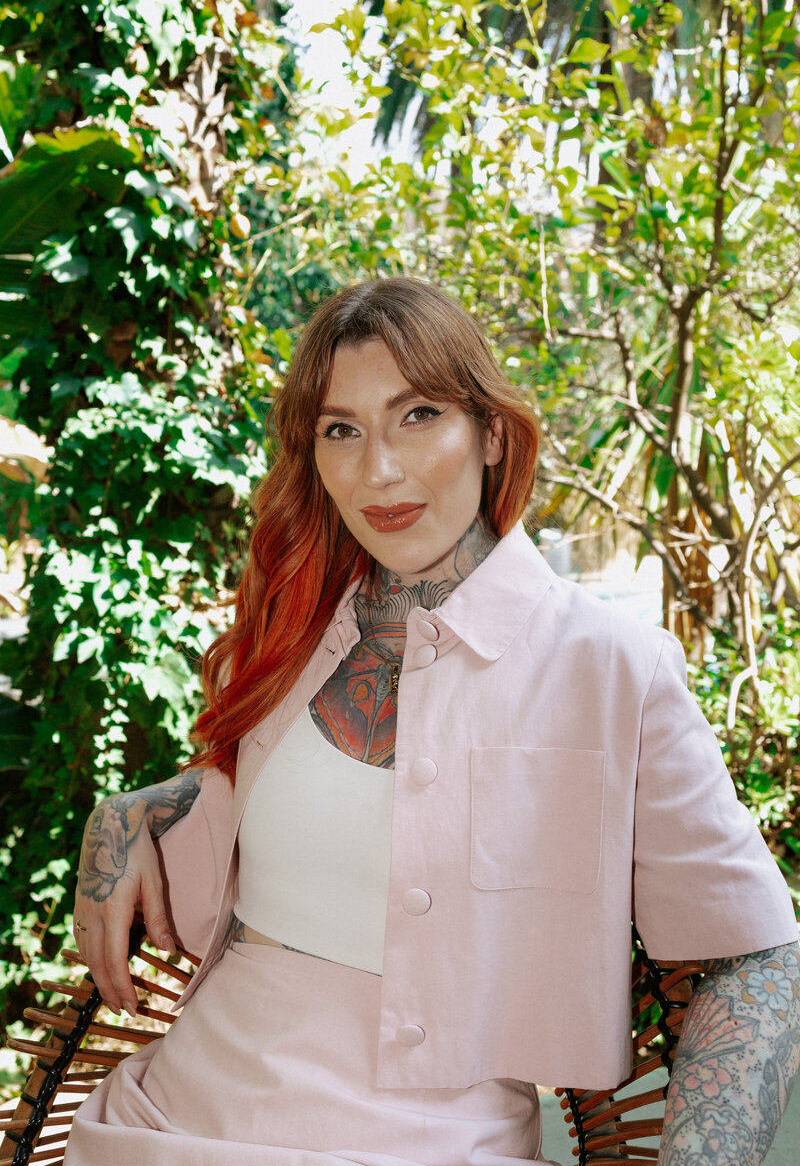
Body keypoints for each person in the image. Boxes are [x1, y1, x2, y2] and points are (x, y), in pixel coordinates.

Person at [67, 278, 800, 1166]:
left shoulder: (614, 667)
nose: (378, 470)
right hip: (169, 1125)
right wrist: (128, 812)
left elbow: (756, 953)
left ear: (491, 433)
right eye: (341, 430)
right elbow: (285, 804)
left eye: (417, 416)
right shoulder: (296, 631)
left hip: (440, 1144)